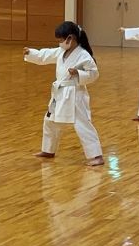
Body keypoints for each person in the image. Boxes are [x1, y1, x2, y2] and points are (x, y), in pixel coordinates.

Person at [23, 21, 104, 165]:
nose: (60, 43)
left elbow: (94, 73)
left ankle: (96, 156)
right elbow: (45, 55)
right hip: (60, 93)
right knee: (50, 121)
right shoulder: (61, 52)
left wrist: (78, 73)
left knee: (82, 124)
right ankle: (48, 150)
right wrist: (31, 53)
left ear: (70, 38)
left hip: (75, 95)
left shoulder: (83, 55)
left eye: (61, 40)